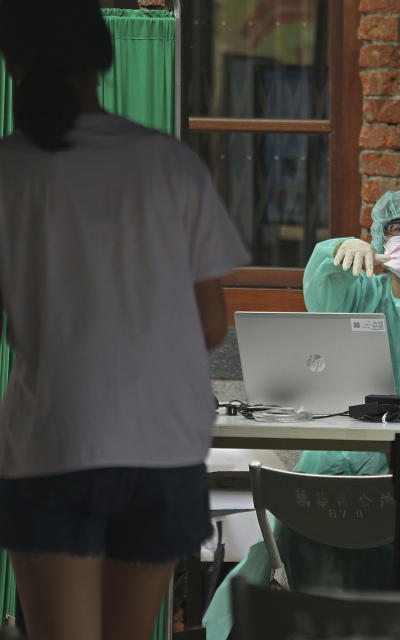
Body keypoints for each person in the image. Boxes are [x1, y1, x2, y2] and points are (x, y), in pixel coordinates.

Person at [0, 3, 250, 640]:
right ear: (103, 63)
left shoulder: (9, 169)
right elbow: (211, 326)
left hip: (54, 440)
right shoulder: (170, 165)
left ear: (10, 65)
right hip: (160, 447)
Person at [203, 185, 400, 640]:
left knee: (363, 547)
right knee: (290, 544)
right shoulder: (357, 298)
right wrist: (333, 252)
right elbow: (322, 288)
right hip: (331, 469)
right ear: (379, 238)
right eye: (398, 228)